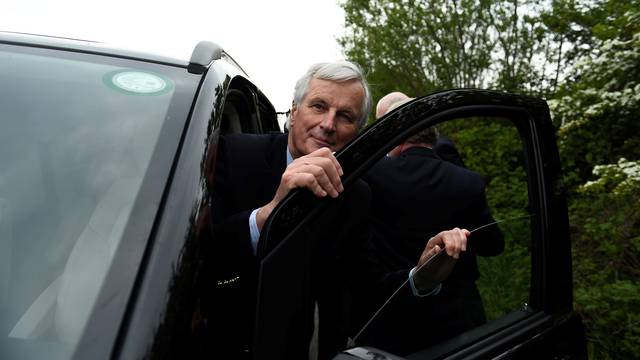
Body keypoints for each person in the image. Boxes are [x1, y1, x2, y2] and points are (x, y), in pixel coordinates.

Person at [207, 61, 470, 359]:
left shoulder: (355, 194)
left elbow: (365, 296)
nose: (328, 124)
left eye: (345, 116)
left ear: (358, 132)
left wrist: (421, 277)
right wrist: (269, 213)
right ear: (294, 111)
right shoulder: (234, 154)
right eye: (318, 106)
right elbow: (200, 259)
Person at [360, 105, 505, 354]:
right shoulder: (468, 181)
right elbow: (494, 245)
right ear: (434, 136)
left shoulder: (371, 174)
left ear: (395, 137)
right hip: (459, 318)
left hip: (394, 314)